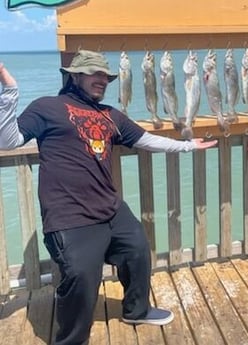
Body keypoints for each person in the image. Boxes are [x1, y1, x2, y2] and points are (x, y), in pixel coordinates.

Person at [0, 50, 217, 345]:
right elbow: (8, 140)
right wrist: (10, 92)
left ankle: (136, 310)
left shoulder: (111, 115)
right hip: (69, 216)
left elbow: (146, 140)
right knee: (80, 278)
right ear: (74, 75)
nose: (102, 79)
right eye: (94, 73)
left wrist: (189, 145)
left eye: (105, 75)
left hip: (111, 208)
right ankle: (72, 340)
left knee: (138, 251)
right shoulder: (47, 107)